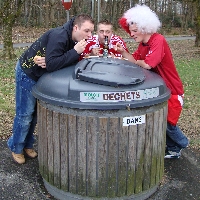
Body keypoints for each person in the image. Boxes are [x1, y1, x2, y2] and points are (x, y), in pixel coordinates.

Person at [7, 14, 94, 164]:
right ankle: (16, 147)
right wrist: (74, 52)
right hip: (28, 73)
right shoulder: (59, 36)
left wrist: (67, 56)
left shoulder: (73, 39)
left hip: (39, 76)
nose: (90, 35)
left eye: (91, 31)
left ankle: (27, 144)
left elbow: (57, 62)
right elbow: (54, 64)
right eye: (87, 31)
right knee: (25, 114)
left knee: (34, 115)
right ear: (76, 27)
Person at [116, 4, 189, 158]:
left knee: (169, 123)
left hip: (172, 89)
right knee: (162, 120)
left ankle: (182, 143)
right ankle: (172, 148)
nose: (132, 34)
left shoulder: (158, 40)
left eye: (135, 31)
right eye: (130, 31)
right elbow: (135, 60)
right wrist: (123, 52)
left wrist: (138, 62)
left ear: (145, 27)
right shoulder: (143, 45)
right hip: (160, 89)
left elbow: (148, 64)